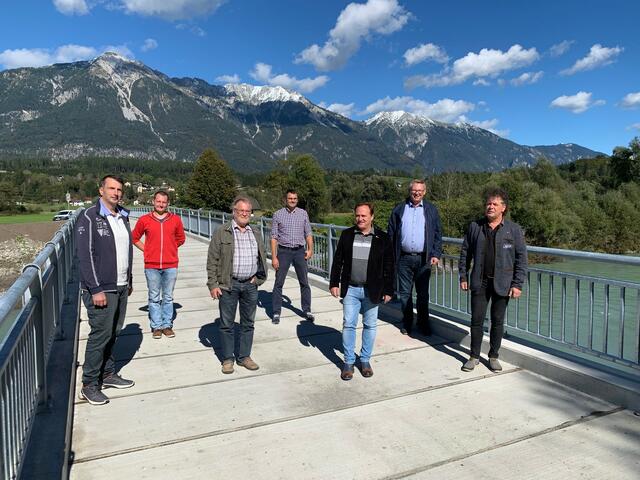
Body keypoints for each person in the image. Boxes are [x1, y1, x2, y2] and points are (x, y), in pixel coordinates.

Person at [75, 175, 134, 405]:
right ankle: (89, 384)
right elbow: (85, 255)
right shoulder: (89, 217)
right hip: (101, 289)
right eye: (111, 188)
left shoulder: (124, 216)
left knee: (114, 332)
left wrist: (129, 280)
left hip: (120, 285)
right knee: (100, 335)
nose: (116, 192)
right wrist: (95, 288)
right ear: (101, 191)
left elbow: (126, 250)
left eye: (119, 189)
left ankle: (108, 374)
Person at [459, 188, 528, 372]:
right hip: (479, 281)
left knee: (497, 322)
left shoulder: (513, 230)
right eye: (488, 203)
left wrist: (517, 284)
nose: (490, 207)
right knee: (476, 320)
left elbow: (521, 258)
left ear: (503, 208)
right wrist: (463, 275)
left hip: (502, 283)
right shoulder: (475, 226)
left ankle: (493, 356)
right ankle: (473, 356)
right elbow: (465, 252)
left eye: (494, 204)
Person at [330, 203, 394, 381]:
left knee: (370, 325)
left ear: (372, 217)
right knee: (349, 324)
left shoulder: (383, 238)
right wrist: (334, 283)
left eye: (364, 216)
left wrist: (389, 289)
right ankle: (349, 363)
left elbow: (389, 266)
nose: (360, 219)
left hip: (372, 290)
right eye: (358, 215)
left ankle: (365, 360)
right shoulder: (347, 235)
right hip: (351, 288)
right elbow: (338, 261)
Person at [207, 197, 268, 374]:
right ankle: (227, 359)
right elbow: (212, 259)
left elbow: (262, 257)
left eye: (247, 211)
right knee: (227, 324)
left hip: (250, 285)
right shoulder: (222, 231)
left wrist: (259, 279)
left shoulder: (255, 232)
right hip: (228, 284)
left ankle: (244, 357)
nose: (244, 214)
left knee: (248, 323)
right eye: (241, 210)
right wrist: (213, 284)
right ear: (234, 212)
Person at [387, 179, 442, 336]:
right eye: (414, 190)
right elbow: (391, 233)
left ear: (424, 192)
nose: (417, 193)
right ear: (409, 191)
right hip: (403, 258)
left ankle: (423, 323)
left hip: (424, 259)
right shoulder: (399, 209)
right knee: (405, 294)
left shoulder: (431, 210)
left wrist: (436, 254)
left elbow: (438, 234)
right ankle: (407, 323)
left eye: (420, 190)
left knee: (423, 295)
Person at [132, 190, 185, 339]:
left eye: (164, 202)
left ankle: (167, 325)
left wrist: (170, 248)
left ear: (168, 203)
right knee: (154, 297)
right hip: (151, 265)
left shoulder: (175, 219)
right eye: (158, 201)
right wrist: (147, 249)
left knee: (168, 297)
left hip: (170, 265)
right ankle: (156, 326)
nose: (161, 204)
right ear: (153, 202)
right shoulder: (144, 220)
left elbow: (181, 238)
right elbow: (134, 238)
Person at [270, 189, 314, 324]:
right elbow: (273, 237)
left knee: (304, 282)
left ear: (297, 199)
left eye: (295, 198)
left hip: (300, 251)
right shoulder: (278, 214)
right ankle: (276, 312)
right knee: (279, 283)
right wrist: (274, 257)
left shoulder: (303, 214)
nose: (293, 200)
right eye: (290, 198)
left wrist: (310, 249)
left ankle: (307, 310)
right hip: (283, 252)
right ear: (286, 199)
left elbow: (308, 233)